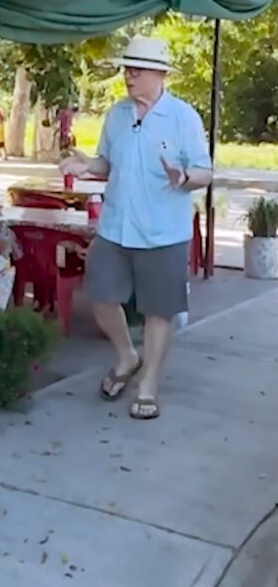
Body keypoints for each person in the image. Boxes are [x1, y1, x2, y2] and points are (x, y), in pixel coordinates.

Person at [60, 36, 212, 420]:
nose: (128, 75)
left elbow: (205, 172)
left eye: (136, 69)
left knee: (158, 311)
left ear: (159, 74)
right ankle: (127, 355)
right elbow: (107, 164)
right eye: (127, 68)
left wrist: (184, 177)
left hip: (163, 232)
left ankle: (148, 385)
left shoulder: (183, 118)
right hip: (115, 227)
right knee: (100, 296)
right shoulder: (117, 115)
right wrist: (85, 167)